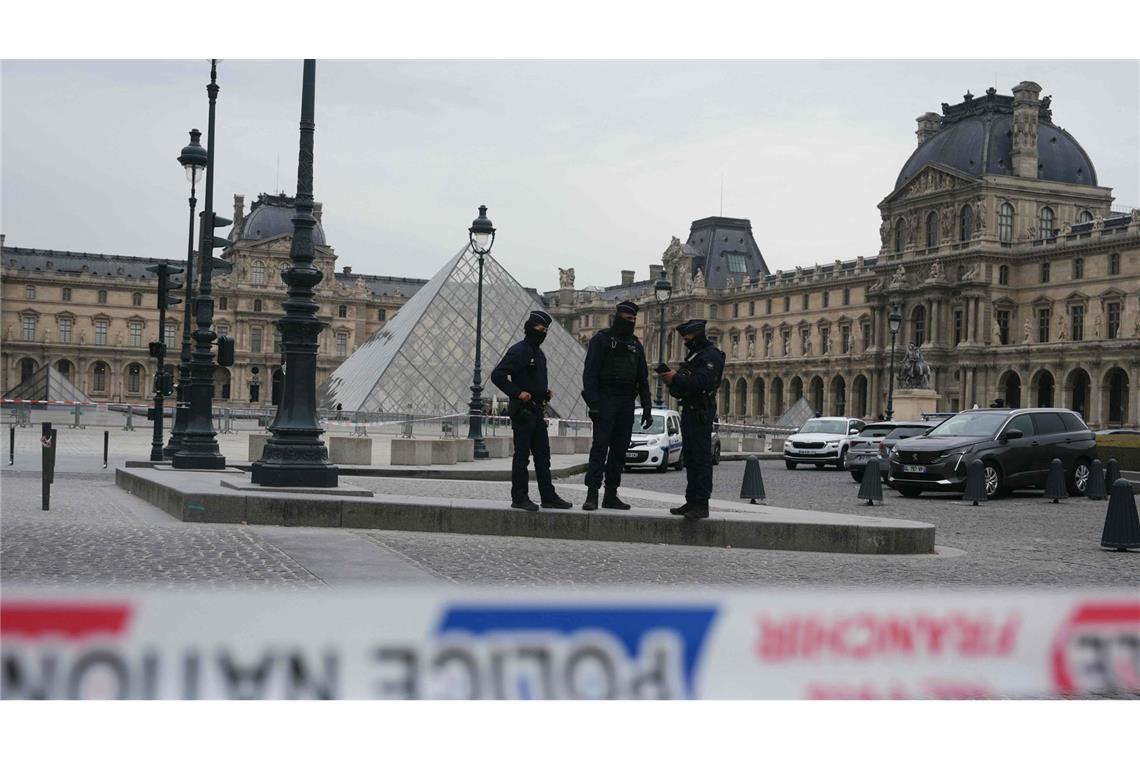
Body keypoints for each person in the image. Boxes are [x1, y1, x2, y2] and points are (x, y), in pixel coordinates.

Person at [490, 310, 573, 511]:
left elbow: (533, 380)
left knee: (543, 456)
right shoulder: (518, 351)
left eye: (545, 330)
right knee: (522, 456)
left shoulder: (539, 353)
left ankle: (548, 496)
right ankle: (519, 497)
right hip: (523, 411)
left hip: (537, 410)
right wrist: (518, 393)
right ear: (529, 328)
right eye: (540, 328)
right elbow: (497, 375)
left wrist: (545, 393)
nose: (543, 332)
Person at [581, 300, 653, 510]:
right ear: (618, 317)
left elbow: (643, 378)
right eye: (628, 319)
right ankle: (592, 493)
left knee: (619, 451)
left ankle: (611, 493)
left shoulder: (635, 344)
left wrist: (647, 408)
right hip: (605, 399)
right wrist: (594, 404)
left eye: (634, 319)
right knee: (600, 448)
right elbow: (590, 374)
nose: (631, 322)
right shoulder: (601, 340)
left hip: (626, 402)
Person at [658, 319, 725, 520]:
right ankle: (691, 500)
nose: (685, 342)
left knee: (701, 458)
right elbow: (685, 388)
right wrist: (672, 382)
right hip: (690, 409)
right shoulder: (695, 355)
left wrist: (675, 377)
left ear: (697, 335)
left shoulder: (711, 356)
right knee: (691, 458)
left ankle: (701, 504)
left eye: (687, 338)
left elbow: (702, 383)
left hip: (701, 411)